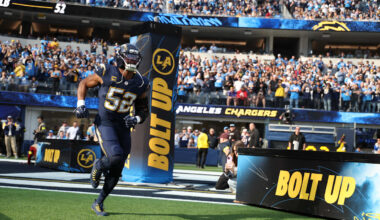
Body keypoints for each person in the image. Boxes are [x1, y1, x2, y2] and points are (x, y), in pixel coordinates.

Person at [74, 43, 149, 216]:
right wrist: (80, 104)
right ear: (120, 58)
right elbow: (84, 83)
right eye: (129, 57)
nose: (132, 61)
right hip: (105, 122)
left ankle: (98, 202)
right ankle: (98, 164)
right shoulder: (107, 71)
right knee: (115, 156)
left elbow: (144, 110)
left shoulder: (141, 82)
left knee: (118, 166)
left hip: (122, 126)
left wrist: (136, 118)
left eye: (135, 58)